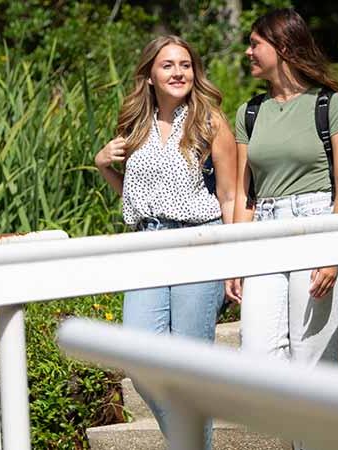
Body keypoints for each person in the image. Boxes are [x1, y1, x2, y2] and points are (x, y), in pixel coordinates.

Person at [226, 9, 338, 449]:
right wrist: (236, 259)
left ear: (282, 47)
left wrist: (332, 253)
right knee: (258, 359)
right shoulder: (250, 111)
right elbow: (246, 194)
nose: (247, 52)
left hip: (319, 224)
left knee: (312, 362)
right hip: (265, 230)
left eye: (254, 44)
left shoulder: (331, 105)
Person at [94, 35, 236, 449]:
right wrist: (104, 166)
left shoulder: (209, 122)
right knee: (141, 361)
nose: (178, 72)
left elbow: (229, 196)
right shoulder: (133, 125)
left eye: (185, 65)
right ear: (150, 75)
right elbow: (138, 197)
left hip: (198, 244)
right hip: (146, 244)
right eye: (168, 65)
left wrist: (233, 264)